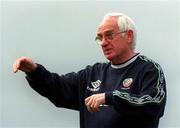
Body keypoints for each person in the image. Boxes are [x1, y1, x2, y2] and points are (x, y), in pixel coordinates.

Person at [13, 12, 166, 128]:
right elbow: (59, 88)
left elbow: (153, 102)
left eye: (109, 35)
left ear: (129, 36)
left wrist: (109, 97)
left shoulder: (149, 70)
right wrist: (34, 71)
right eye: (100, 38)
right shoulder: (92, 74)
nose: (103, 43)